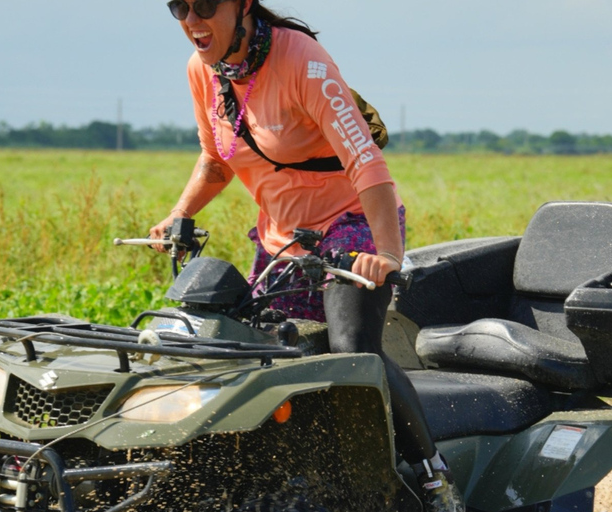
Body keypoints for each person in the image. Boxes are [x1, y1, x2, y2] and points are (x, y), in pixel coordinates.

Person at [150, 1, 464, 510]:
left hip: (352, 223)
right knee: (261, 355)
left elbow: (366, 162)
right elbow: (216, 159)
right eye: (178, 7)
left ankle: (434, 478)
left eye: (205, 4)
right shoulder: (202, 71)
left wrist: (386, 253)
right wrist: (178, 215)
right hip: (283, 240)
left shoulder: (304, 62)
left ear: (243, 5)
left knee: (350, 348)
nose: (191, 20)